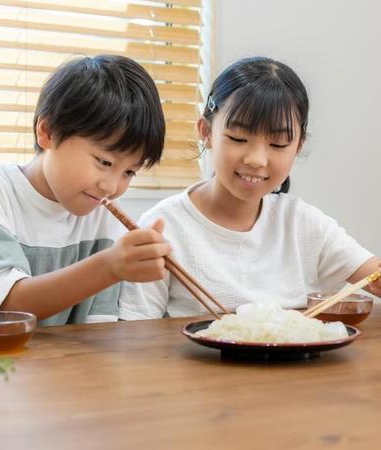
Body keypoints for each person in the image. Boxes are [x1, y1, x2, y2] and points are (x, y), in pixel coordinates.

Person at [119, 56, 381, 320]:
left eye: (278, 144)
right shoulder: (163, 228)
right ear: (206, 132)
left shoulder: (302, 223)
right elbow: (135, 334)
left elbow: (372, 275)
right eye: (238, 138)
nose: (256, 160)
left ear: (298, 146)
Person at [0, 55, 172, 325]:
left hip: (60, 366)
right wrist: (109, 266)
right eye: (104, 162)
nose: (111, 186)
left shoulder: (102, 215)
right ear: (47, 131)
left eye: (129, 172)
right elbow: (2, 313)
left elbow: (100, 330)